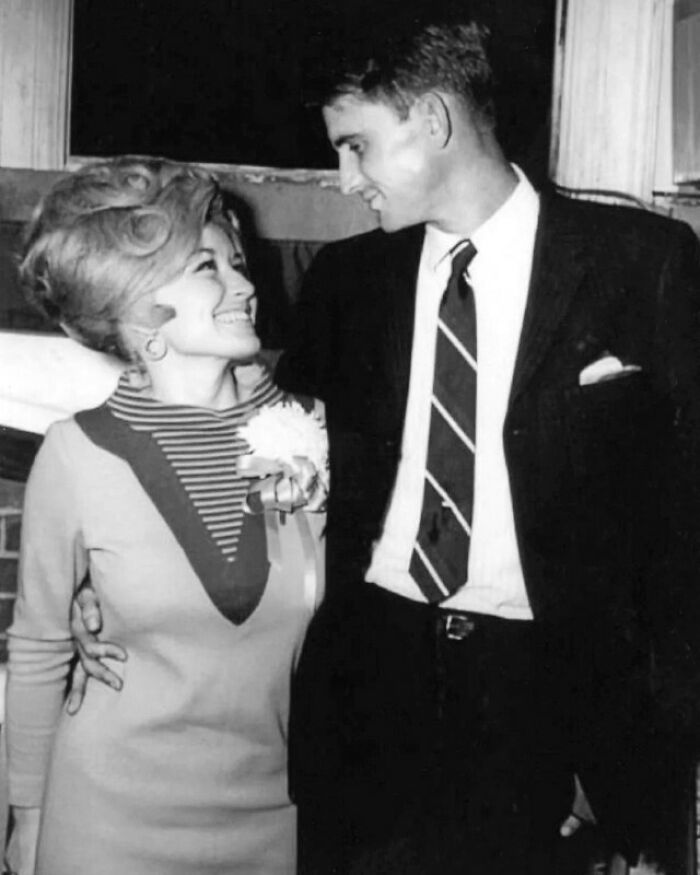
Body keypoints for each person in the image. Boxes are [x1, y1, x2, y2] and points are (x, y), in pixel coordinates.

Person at [271, 17, 700, 875]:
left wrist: (645, 755)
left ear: (433, 120)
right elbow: (282, 464)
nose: (344, 177)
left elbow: (686, 532)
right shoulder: (344, 285)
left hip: (550, 700)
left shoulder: (645, 264)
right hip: (368, 683)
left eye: (356, 146)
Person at [4, 157, 325, 875]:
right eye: (208, 268)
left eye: (237, 262)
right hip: (105, 826)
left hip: (280, 824)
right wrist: (27, 823)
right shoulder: (77, 454)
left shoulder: (315, 435)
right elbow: (37, 648)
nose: (246, 284)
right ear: (137, 303)